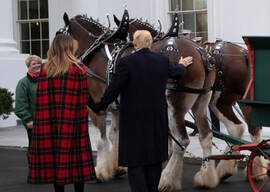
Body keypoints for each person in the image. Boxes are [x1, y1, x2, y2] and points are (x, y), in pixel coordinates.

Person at [88, 30, 192, 192]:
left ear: (134, 43)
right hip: (157, 119)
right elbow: (176, 74)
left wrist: (100, 106)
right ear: (150, 43)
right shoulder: (162, 61)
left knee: (136, 162)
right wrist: (182, 65)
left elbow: (113, 90)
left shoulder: (126, 62)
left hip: (133, 121)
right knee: (154, 160)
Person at [28, 34, 96, 192]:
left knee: (56, 161)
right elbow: (85, 95)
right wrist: (99, 107)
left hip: (50, 125)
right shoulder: (78, 69)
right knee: (77, 162)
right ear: (68, 48)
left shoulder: (45, 70)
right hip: (73, 124)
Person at [15, 55, 42, 150]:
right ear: (28, 66)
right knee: (35, 149)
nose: (37, 65)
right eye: (34, 63)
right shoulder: (23, 83)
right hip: (33, 122)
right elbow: (20, 104)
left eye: (39, 63)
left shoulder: (45, 80)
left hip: (46, 121)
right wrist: (28, 120)